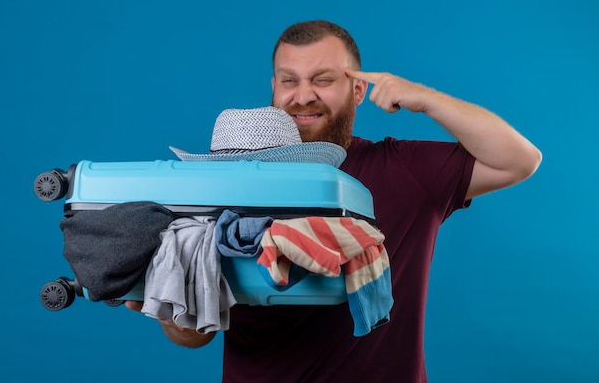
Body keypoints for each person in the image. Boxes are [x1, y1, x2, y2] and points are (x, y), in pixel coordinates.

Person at [127, 20, 542, 382]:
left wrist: (425, 98)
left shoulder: (403, 169)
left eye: (322, 79)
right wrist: (165, 301)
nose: (302, 95)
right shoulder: (219, 187)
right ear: (274, 88)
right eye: (289, 80)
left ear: (358, 89)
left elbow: (519, 160)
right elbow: (193, 336)